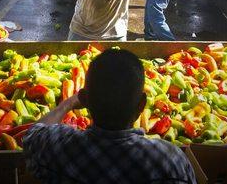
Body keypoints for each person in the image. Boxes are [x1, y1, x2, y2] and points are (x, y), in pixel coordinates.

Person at [23, 48, 196, 183]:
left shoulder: (61, 147)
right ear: (142, 105)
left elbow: (32, 135)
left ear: (85, 100)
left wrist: (68, 104)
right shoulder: (170, 160)